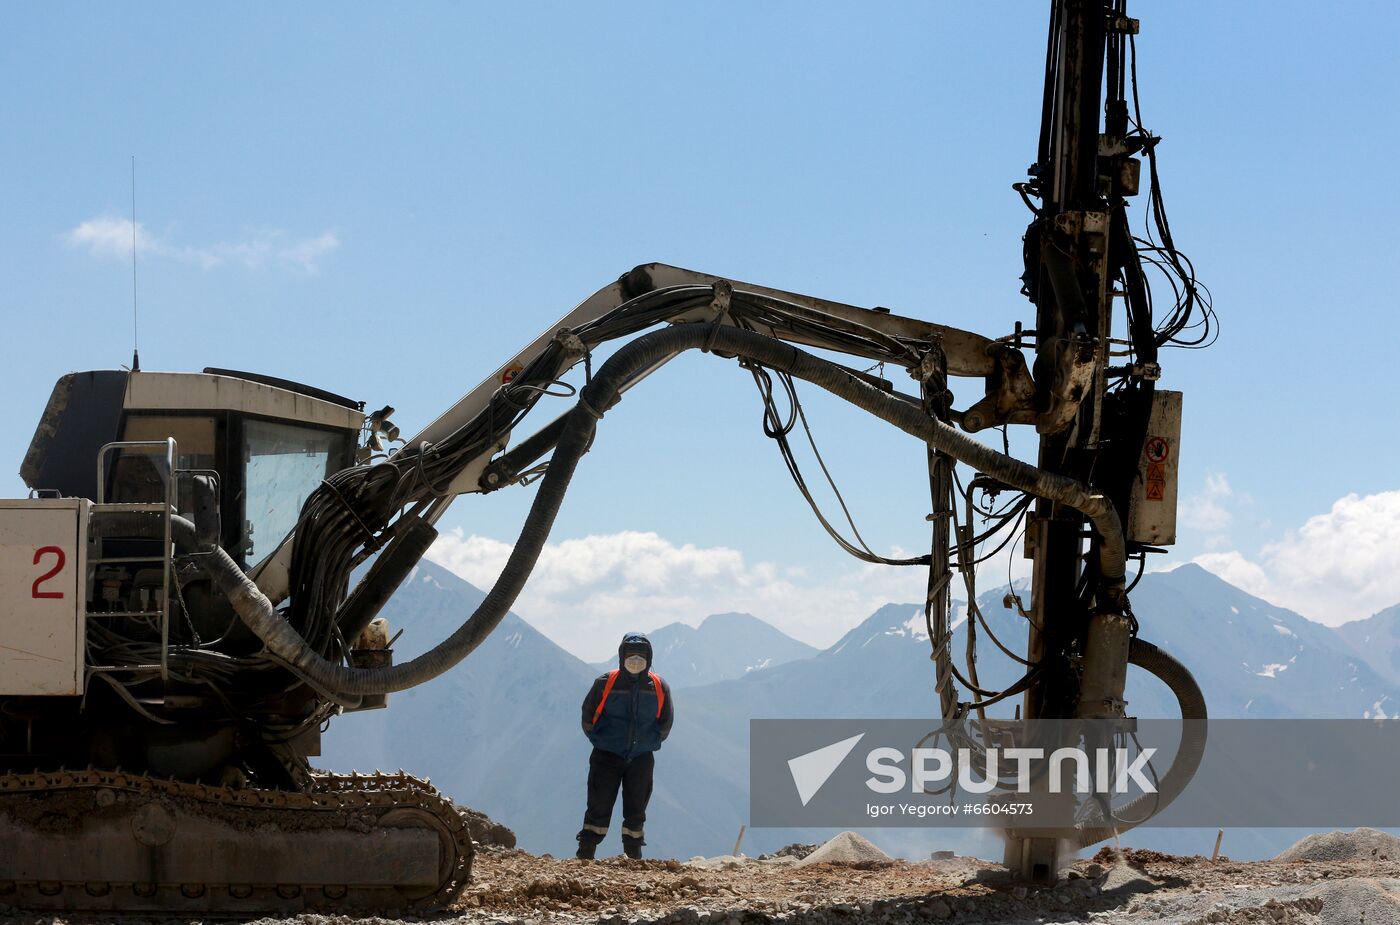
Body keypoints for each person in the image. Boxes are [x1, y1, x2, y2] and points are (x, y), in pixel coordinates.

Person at [576, 632, 673, 860]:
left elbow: (666, 721)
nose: (635, 660)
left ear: (649, 657)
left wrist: (650, 742)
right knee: (598, 805)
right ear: (621, 656)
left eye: (641, 655)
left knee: (636, 807)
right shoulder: (605, 683)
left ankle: (633, 856)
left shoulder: (658, 686)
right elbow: (587, 716)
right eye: (631, 654)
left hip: (641, 758)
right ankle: (585, 855)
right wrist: (600, 742)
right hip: (606, 756)